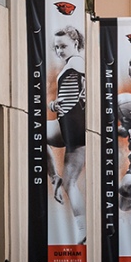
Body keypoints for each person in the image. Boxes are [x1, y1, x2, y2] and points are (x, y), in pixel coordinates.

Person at [46, 25, 87, 244]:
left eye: (63, 46)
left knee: (33, 129)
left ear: (75, 42)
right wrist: (53, 105)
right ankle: (55, 177)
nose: (60, 51)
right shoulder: (72, 64)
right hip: (69, 125)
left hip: (73, 125)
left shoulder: (77, 61)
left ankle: (54, 176)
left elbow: (83, 78)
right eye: (56, 48)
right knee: (70, 182)